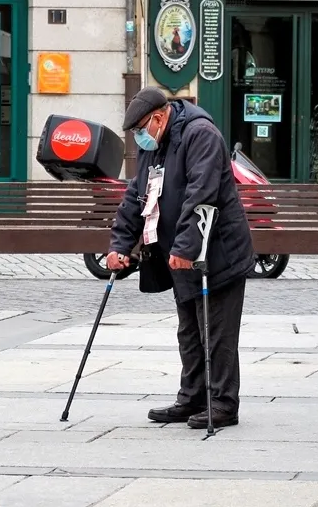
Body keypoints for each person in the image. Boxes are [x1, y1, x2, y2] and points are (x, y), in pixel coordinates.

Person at [106, 86, 255, 429]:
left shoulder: (201, 135)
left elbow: (201, 193)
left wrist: (186, 248)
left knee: (215, 331)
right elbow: (136, 195)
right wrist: (119, 245)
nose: (139, 138)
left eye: (141, 130)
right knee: (189, 331)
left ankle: (222, 403)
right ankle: (191, 398)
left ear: (159, 117)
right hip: (181, 253)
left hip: (217, 251)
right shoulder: (154, 145)